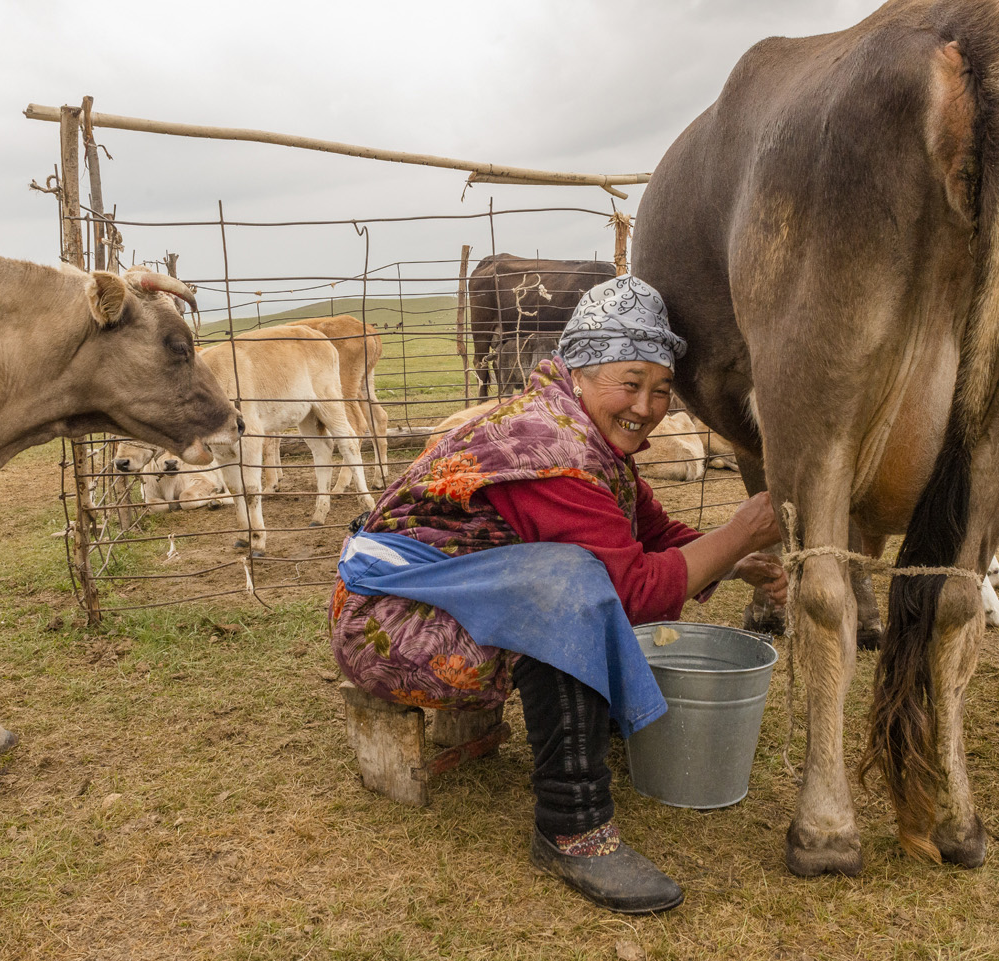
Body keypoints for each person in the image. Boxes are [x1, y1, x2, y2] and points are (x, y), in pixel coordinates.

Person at [328, 275, 786, 914]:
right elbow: (634, 589)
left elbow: (649, 534)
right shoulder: (549, 453)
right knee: (568, 587)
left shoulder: (585, 434)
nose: (648, 406)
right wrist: (737, 532)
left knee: (576, 576)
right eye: (630, 382)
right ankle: (572, 825)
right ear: (580, 371)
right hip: (392, 622)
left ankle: (592, 731)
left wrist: (737, 559)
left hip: (452, 598)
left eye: (661, 389)